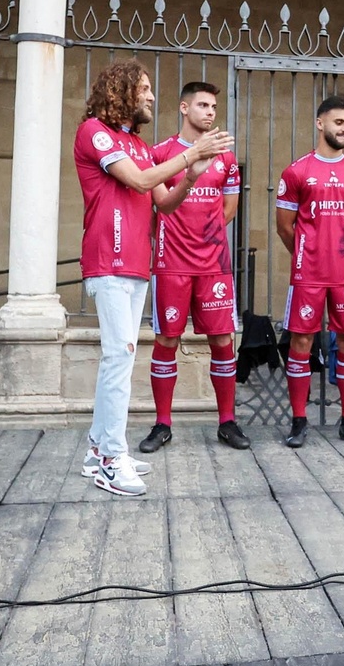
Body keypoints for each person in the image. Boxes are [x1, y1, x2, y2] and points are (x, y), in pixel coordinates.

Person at [73, 61, 232, 495]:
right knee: (119, 357)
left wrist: (191, 176)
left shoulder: (138, 144)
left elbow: (165, 202)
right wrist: (190, 155)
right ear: (121, 90)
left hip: (135, 264)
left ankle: (97, 451)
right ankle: (111, 459)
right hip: (108, 261)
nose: (150, 96)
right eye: (143, 88)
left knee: (119, 358)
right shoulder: (94, 132)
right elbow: (141, 181)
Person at [142, 82, 248, 453]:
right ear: (184, 108)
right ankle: (162, 424)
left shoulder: (226, 159)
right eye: (203, 105)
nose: (210, 112)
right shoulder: (160, 153)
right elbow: (159, 207)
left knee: (222, 340)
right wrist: (176, 232)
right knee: (166, 340)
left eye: (214, 107)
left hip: (214, 265)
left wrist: (205, 236)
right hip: (171, 263)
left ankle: (227, 422)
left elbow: (229, 209)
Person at [275, 95, 344, 448]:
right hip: (309, 274)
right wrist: (309, 254)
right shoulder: (297, 171)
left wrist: (340, 254)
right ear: (320, 124)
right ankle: (298, 421)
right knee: (301, 342)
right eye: (338, 122)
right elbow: (284, 227)